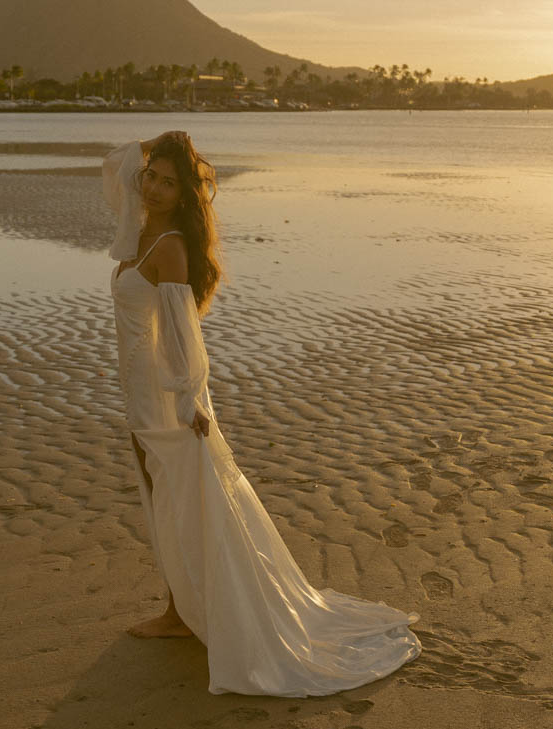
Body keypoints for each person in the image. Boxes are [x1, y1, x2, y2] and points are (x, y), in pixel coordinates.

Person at [101, 131, 421, 696]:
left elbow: (183, 336)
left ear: (185, 197)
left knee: (186, 504)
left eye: (168, 183)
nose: (152, 186)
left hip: (166, 400)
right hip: (139, 391)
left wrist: (193, 402)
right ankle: (178, 607)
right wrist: (160, 145)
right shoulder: (139, 225)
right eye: (152, 175)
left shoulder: (169, 245)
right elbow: (115, 163)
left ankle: (187, 612)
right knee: (161, 499)